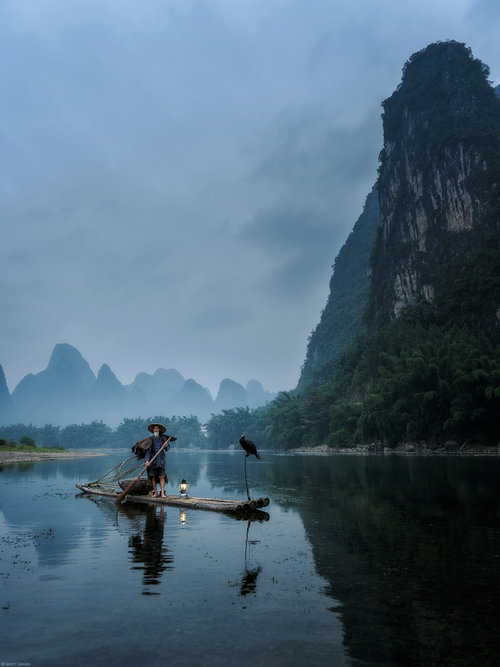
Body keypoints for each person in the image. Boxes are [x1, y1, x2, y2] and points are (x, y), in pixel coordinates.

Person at [144, 423, 171, 498]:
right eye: (155, 428)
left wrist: (166, 445)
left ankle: (162, 493)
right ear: (153, 430)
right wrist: (147, 461)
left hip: (161, 461)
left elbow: (167, 449)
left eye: (157, 428)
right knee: (153, 477)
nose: (156, 430)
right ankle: (155, 493)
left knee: (162, 477)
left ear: (159, 430)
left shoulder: (163, 438)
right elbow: (148, 451)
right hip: (153, 462)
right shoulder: (150, 439)